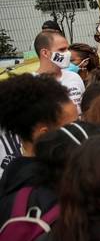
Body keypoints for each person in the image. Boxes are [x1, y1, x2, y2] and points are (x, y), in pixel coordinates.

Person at [0, 75, 78, 221]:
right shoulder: (39, 196)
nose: (81, 129)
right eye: (72, 126)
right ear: (43, 135)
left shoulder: (14, 175)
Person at [33, 29, 85, 109]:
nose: (68, 54)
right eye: (62, 50)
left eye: (67, 49)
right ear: (45, 53)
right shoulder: (30, 84)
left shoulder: (75, 77)